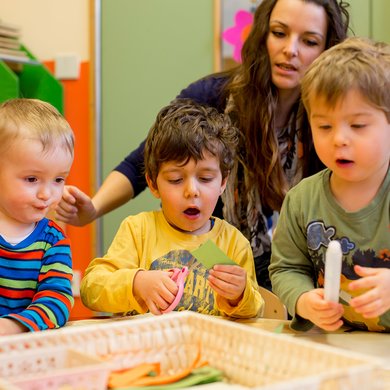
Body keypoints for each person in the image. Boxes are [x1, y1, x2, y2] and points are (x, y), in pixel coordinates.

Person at [56, 0, 350, 290]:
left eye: (309, 40)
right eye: (279, 33)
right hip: (218, 267)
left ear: (327, 50)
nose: (291, 49)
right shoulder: (214, 96)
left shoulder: (330, 120)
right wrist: (93, 208)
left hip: (299, 275)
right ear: (262, 35)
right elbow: (144, 161)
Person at [80, 99, 263, 318]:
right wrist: (136, 282)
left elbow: (255, 312)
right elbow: (91, 289)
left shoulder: (231, 243)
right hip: (146, 348)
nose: (192, 191)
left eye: (205, 178)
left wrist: (239, 295)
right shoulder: (139, 231)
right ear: (153, 184)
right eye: (176, 180)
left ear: (223, 182)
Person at [269, 37, 390, 333]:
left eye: (358, 125)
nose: (339, 139)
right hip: (338, 346)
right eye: (324, 126)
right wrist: (303, 299)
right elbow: (287, 268)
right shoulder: (301, 200)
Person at [0, 98, 75, 335]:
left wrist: (12, 327)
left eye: (59, 180)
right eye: (32, 179)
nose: (46, 194)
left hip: (27, 351)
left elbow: (57, 302)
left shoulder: (53, 241)